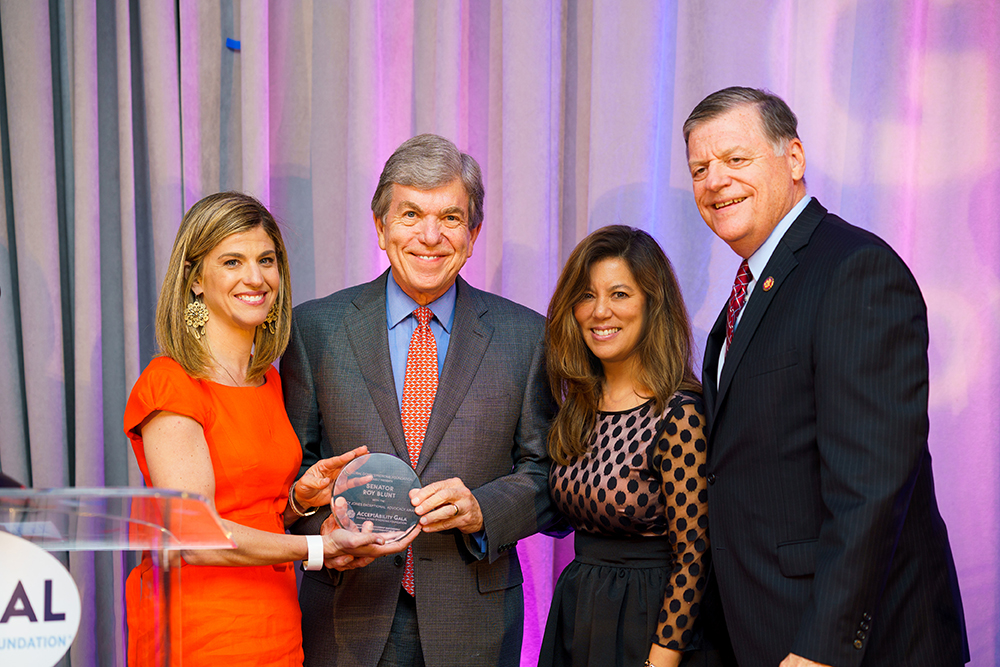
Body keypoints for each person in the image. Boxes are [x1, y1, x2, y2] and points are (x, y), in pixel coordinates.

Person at [683, 87, 969, 667]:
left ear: (793, 159)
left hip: (847, 646)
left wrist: (822, 649)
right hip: (765, 625)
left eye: (736, 160)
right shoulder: (754, 288)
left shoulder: (854, 271)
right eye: (699, 168)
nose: (715, 181)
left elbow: (872, 485)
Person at [280, 134, 556, 667]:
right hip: (347, 616)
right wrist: (327, 532)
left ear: (473, 234)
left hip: (473, 623)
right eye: (410, 214)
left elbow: (546, 475)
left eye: (451, 218)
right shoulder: (313, 330)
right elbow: (292, 475)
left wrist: (483, 511)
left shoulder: (527, 337)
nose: (430, 236)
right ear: (380, 228)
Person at [123, 192, 412, 666]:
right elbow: (194, 536)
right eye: (232, 261)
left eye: (266, 260)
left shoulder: (269, 381)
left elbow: (253, 512)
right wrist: (317, 547)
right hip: (197, 630)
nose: (255, 278)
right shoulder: (170, 383)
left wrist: (299, 498)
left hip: (275, 625)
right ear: (195, 280)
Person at [537, 225, 709, 667]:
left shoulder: (679, 414)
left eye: (619, 294)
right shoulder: (578, 406)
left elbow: (694, 556)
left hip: (647, 620)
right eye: (587, 296)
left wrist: (662, 657)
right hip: (578, 612)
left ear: (653, 304)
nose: (599, 312)